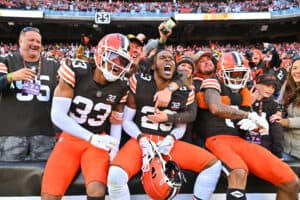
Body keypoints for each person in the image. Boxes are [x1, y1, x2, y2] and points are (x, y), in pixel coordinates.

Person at [107, 47, 222, 200]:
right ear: (153, 65)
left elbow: (182, 125)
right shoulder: (139, 81)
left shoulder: (185, 91)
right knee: (115, 176)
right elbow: (126, 121)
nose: (168, 60)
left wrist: (171, 139)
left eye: (171, 58)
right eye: (162, 57)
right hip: (140, 140)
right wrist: (141, 139)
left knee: (213, 165)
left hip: (168, 143)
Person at [197, 51, 299, 200]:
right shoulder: (212, 83)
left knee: (290, 180)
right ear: (221, 72)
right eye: (234, 74)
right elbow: (216, 108)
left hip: (239, 141)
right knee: (238, 172)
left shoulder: (244, 92)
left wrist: (257, 126)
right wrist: (250, 116)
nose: (238, 77)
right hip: (215, 139)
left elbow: (243, 123)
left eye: (241, 74)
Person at [41, 33, 132, 200]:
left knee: (97, 188)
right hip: (71, 137)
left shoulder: (122, 86)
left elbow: (117, 120)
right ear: (101, 53)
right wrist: (90, 138)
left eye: (123, 61)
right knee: (49, 194)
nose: (118, 65)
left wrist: (114, 148)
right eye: (114, 57)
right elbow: (57, 115)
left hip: (98, 141)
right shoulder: (76, 70)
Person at [0, 26, 59, 161]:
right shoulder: (5, 60)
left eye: (38, 42)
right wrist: (11, 77)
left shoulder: (54, 65)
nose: (35, 44)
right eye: (31, 40)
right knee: (10, 177)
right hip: (11, 132)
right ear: (20, 41)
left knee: (40, 176)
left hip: (44, 132)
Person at [249, 73, 284, 158]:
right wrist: (249, 103)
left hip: (265, 149)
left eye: (273, 87)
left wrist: (277, 154)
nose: (271, 90)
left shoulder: (273, 105)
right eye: (267, 85)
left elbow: (276, 132)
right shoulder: (242, 98)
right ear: (256, 85)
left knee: (276, 123)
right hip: (244, 146)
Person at [275, 55, 300, 160]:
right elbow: (279, 104)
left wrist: (286, 122)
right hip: (286, 149)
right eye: (294, 68)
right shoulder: (287, 85)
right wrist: (278, 114)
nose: (297, 71)